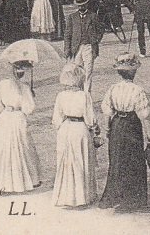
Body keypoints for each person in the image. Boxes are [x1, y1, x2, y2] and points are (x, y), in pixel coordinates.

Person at [98, 53, 150, 213]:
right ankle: (133, 198)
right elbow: (144, 114)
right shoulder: (137, 90)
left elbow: (107, 111)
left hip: (117, 125)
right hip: (132, 126)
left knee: (116, 160)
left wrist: (107, 129)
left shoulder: (113, 89)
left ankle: (116, 196)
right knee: (134, 160)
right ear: (134, 72)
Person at [0, 60, 42, 194]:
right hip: (18, 118)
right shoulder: (25, 87)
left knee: (2, 149)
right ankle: (26, 180)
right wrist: (31, 95)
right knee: (23, 147)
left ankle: (1, 182)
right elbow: (30, 109)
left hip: (5, 118)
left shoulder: (2, 84)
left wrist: (0, 111)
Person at [51, 63, 99, 207]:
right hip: (79, 129)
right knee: (81, 162)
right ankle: (82, 196)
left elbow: (56, 119)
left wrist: (61, 127)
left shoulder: (60, 95)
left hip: (65, 129)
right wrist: (94, 128)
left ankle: (66, 196)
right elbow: (90, 119)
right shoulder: (84, 96)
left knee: (66, 163)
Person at [66, 0, 103, 93]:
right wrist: (67, 50)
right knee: (77, 71)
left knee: (88, 71)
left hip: (89, 47)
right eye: (79, 5)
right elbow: (68, 34)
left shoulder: (93, 16)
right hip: (76, 48)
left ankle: (87, 94)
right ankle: (79, 93)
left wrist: (95, 40)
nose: (81, 7)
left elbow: (100, 30)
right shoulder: (72, 17)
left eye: (83, 4)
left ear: (87, 4)